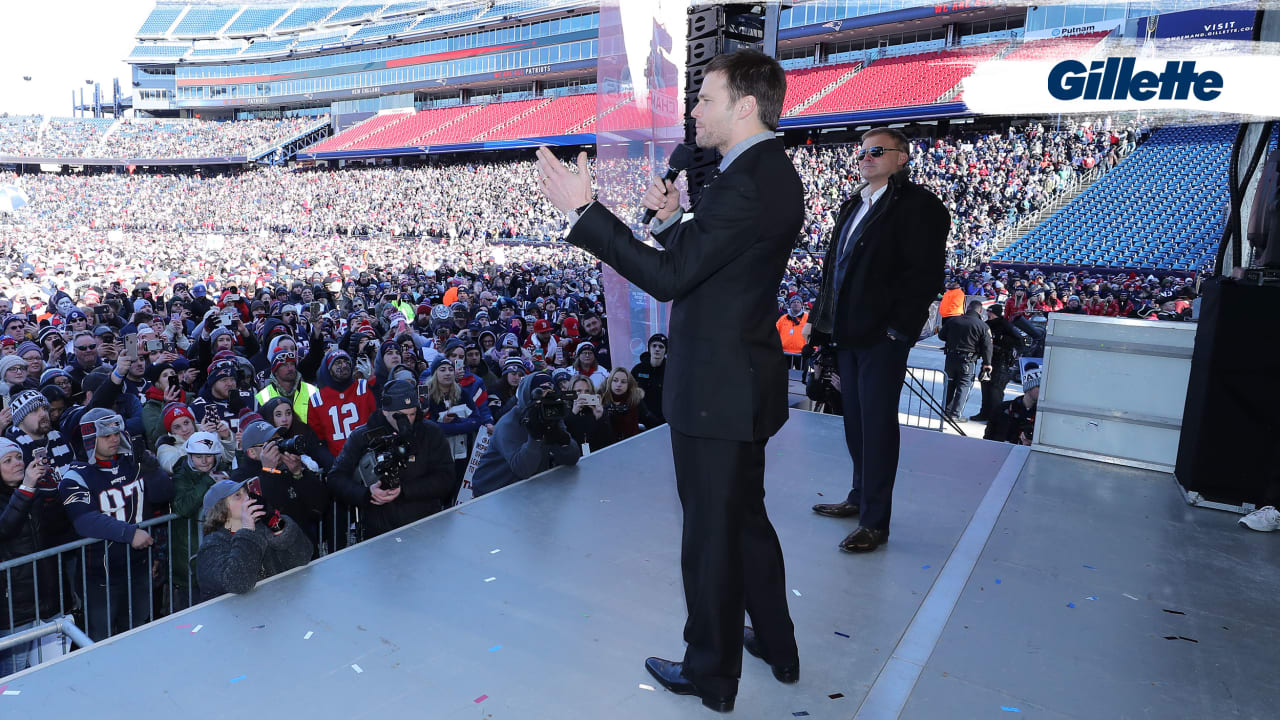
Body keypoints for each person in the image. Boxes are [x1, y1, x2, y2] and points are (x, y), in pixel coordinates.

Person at [535, 49, 799, 712]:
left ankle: (712, 675)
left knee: (710, 538)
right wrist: (671, 220)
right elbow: (711, 269)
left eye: (705, 99)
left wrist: (586, 212)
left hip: (716, 390)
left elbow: (670, 280)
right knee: (744, 523)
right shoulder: (764, 173)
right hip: (738, 383)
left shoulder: (746, 181)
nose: (693, 111)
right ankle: (776, 641)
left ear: (745, 105)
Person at [807, 126, 950, 554]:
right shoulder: (854, 203)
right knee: (855, 421)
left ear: (901, 158)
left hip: (881, 337)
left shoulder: (919, 206)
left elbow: (924, 276)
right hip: (847, 333)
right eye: (862, 151)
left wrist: (896, 330)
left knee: (877, 427)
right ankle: (858, 497)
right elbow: (837, 270)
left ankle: (875, 522)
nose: (866, 157)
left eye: (877, 151)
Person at [57, 409, 174, 641]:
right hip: (100, 576)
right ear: (90, 439)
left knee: (139, 630)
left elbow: (165, 493)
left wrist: (150, 466)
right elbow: (84, 521)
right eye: (106, 435)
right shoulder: (75, 476)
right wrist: (129, 533)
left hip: (140, 567)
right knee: (101, 638)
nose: (114, 439)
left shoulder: (133, 464)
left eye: (116, 433)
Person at [327, 380, 455, 539]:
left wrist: (405, 490)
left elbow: (446, 478)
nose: (407, 421)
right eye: (400, 416)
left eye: (412, 414)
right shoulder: (362, 437)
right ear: (385, 411)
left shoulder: (431, 433)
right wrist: (367, 494)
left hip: (426, 526)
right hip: (379, 531)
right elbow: (335, 478)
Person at [194, 478, 312, 600]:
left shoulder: (263, 528)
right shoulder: (212, 547)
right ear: (221, 509)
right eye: (238, 496)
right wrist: (248, 531)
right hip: (235, 616)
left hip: (275, 605)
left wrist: (276, 523)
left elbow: (302, 557)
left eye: (246, 492)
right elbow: (239, 584)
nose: (247, 497)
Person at [0, 438, 59, 677]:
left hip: (42, 596)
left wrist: (54, 490)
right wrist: (26, 488)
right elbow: (4, 529)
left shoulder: (30, 491)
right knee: (14, 675)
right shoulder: (25, 490)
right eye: (7, 460)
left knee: (48, 670)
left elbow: (55, 531)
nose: (17, 463)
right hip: (13, 604)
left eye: (18, 457)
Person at [470, 371, 581, 496]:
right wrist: (535, 437)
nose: (546, 397)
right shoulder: (508, 423)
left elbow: (572, 458)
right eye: (540, 391)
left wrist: (562, 439)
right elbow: (523, 469)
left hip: (529, 487)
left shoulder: (552, 414)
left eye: (550, 391)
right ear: (528, 394)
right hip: (493, 491)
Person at [937, 300, 993, 421]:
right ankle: (955, 415)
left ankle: (945, 412)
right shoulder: (982, 326)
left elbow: (941, 336)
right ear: (980, 311)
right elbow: (987, 346)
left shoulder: (953, 320)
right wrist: (987, 363)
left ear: (967, 308)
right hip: (967, 360)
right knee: (964, 387)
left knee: (949, 384)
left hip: (951, 358)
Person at [972, 304, 1023, 422]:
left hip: (1002, 362)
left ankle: (995, 418)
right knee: (985, 388)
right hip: (988, 360)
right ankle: (984, 413)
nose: (988, 314)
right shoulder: (987, 324)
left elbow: (1020, 342)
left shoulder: (1006, 325)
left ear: (995, 313)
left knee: (996, 391)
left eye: (990, 312)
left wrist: (1001, 341)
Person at [984, 367, 1040, 445]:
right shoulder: (1003, 409)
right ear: (1029, 387)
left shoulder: (1043, 415)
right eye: (1039, 386)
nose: (1043, 391)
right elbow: (987, 438)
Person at [631, 333, 668, 428]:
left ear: (666, 350)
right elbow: (630, 394)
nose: (657, 349)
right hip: (641, 422)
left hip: (664, 422)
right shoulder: (638, 369)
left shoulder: (671, 371)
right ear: (649, 348)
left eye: (661, 346)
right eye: (654, 345)